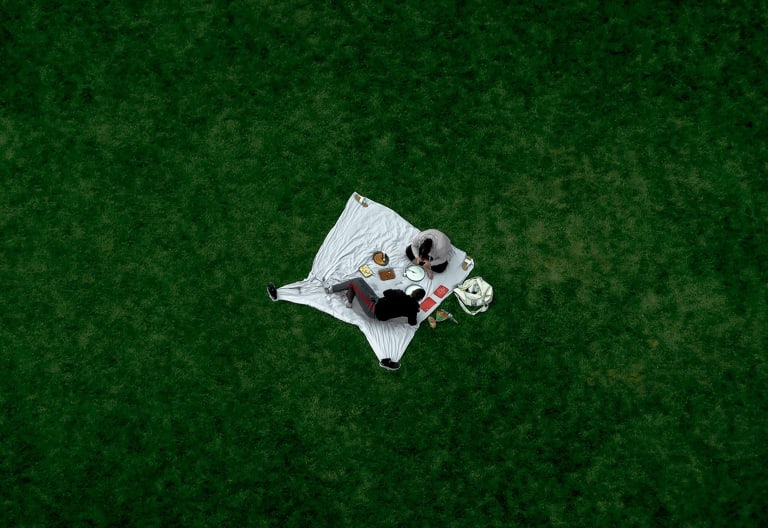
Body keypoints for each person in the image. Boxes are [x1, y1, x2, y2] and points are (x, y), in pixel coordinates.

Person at [325, 279, 425, 371]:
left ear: (412, 292)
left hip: (373, 309)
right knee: (358, 281)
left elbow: (386, 292)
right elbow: (412, 322)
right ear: (419, 299)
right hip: (378, 306)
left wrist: (397, 293)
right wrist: (415, 310)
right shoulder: (413, 308)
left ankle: (332, 290)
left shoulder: (400, 294)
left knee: (354, 282)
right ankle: (349, 301)